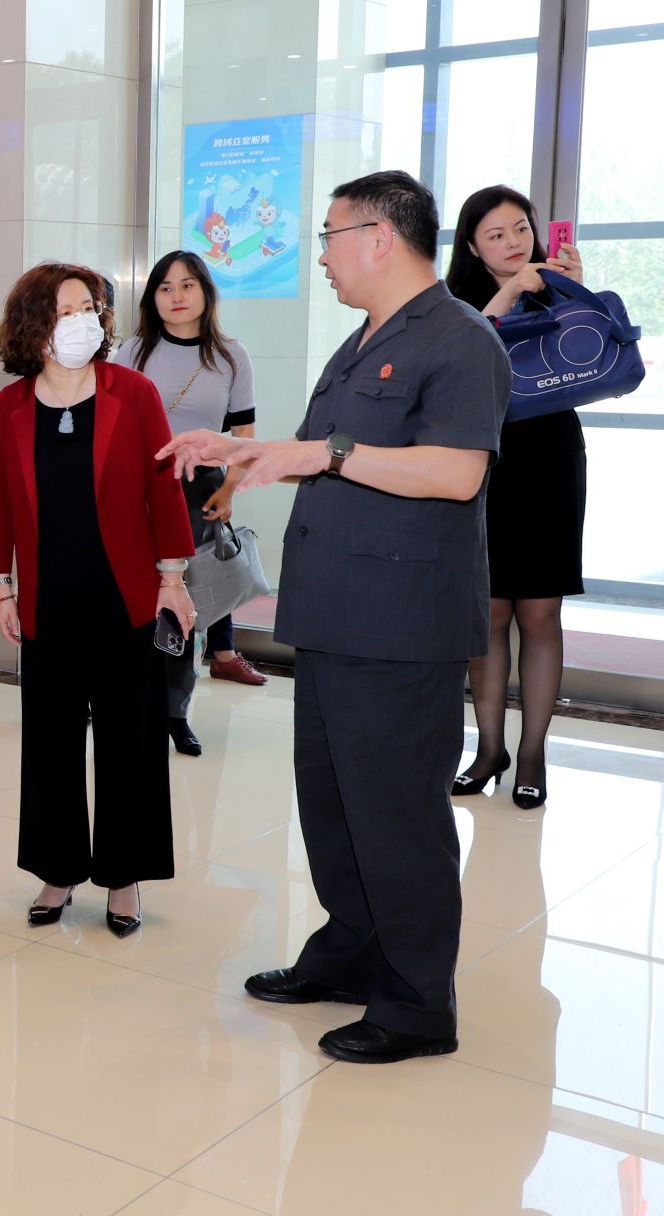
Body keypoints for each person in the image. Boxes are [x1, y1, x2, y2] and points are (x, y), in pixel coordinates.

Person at [161, 170, 509, 1064]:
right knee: (335, 802)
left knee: (396, 814)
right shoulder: (364, 339)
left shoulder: (460, 339)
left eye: (330, 235)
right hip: (334, 613)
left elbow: (455, 472)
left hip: (401, 622)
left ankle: (418, 1001)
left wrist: (326, 451)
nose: (321, 254)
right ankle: (352, 949)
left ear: (380, 237)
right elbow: (327, 454)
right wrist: (243, 451)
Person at [0, 262, 195, 934]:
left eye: (89, 309)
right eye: (65, 311)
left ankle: (124, 877)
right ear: (32, 325)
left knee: (132, 740)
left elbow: (164, 490)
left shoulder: (134, 393)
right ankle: (58, 869)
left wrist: (173, 579)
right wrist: (1, 586)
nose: (82, 322)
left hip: (126, 597)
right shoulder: (7, 409)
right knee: (50, 739)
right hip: (48, 600)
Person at [445, 185, 586, 810]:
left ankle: (532, 754)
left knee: (540, 614)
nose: (512, 243)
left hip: (551, 457)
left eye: (521, 229)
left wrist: (575, 292)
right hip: (483, 460)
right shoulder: (454, 304)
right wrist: (509, 294)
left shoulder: (560, 288)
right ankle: (489, 749)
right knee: (490, 613)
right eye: (496, 235)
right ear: (473, 247)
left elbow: (598, 356)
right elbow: (463, 359)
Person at [114, 250, 266, 758]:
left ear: (205, 292)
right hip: (134, 487)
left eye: (187, 285)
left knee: (184, 605)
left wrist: (228, 490)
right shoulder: (132, 351)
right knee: (129, 596)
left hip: (198, 488)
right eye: (165, 287)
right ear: (152, 297)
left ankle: (175, 712)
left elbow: (244, 436)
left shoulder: (231, 355)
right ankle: (122, 700)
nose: (176, 296)